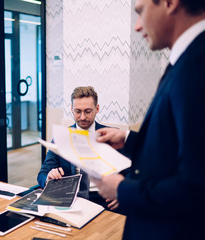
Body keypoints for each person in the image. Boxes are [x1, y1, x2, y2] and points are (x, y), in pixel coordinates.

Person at [92, 0, 205, 239]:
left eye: (141, 11)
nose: (137, 26)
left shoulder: (196, 67)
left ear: (169, 3)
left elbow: (195, 189)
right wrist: (129, 138)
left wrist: (121, 189)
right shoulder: (187, 60)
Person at [37, 86, 108, 199]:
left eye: (88, 111)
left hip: (103, 197)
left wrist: (121, 194)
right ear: (71, 109)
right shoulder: (61, 138)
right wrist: (48, 177)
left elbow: (128, 173)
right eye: (78, 111)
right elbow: (42, 174)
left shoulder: (110, 136)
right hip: (69, 197)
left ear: (97, 108)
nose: (82, 117)